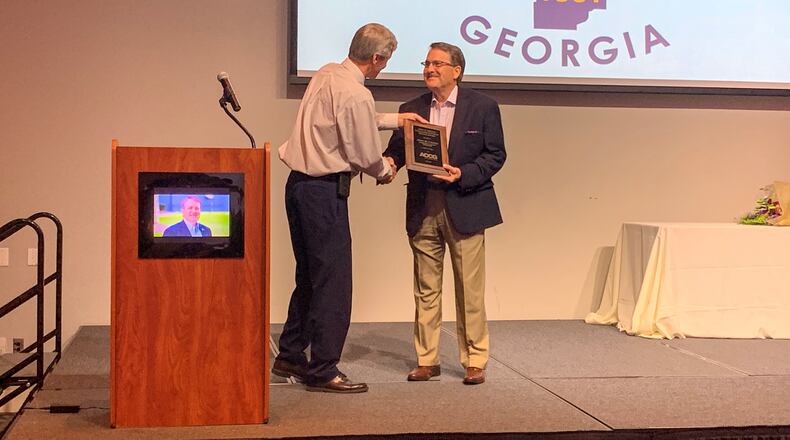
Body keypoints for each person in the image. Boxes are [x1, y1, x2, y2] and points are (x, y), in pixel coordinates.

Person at [273, 23, 427, 393]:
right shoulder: (357, 95)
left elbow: (345, 121)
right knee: (335, 283)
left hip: (297, 186)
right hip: (325, 193)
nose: (383, 68)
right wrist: (385, 169)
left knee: (310, 275)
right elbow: (361, 150)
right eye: (384, 62)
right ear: (376, 57)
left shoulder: (326, 74)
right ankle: (324, 368)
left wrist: (396, 119)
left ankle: (292, 353)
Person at [384, 42, 506, 385]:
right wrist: (389, 165)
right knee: (425, 288)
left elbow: (495, 155)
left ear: (457, 70)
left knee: (469, 288)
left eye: (438, 63)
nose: (429, 69)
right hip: (423, 206)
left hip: (465, 203)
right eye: (426, 63)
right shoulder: (411, 108)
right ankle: (427, 359)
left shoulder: (483, 107)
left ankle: (474, 359)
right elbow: (397, 151)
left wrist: (463, 173)